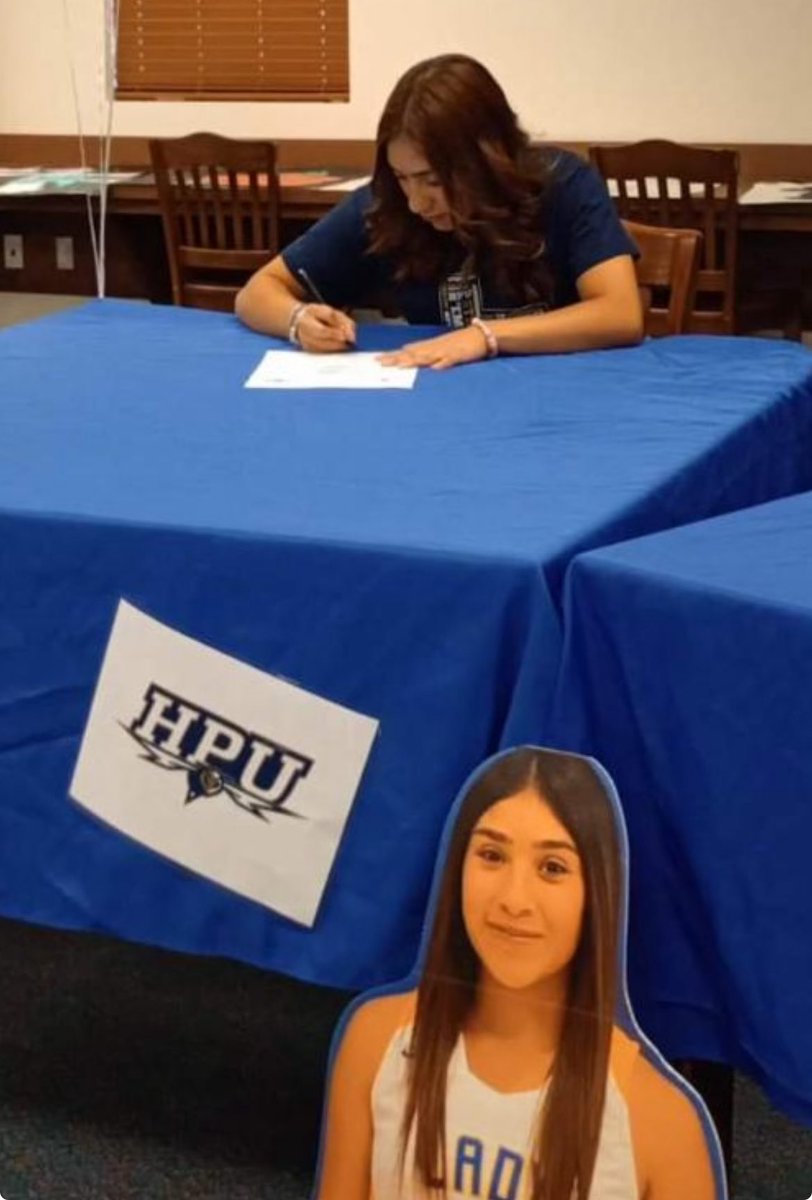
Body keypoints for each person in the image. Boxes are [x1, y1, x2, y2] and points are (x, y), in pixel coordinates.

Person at [314, 748, 722, 1199]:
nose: (514, 899)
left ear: (597, 894)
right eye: (491, 855)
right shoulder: (375, 1042)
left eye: (552, 868)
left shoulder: (662, 1123)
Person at [235, 55, 643, 368]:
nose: (417, 202)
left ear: (486, 161)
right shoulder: (388, 209)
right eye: (402, 178)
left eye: (432, 181)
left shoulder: (564, 184)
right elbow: (257, 292)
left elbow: (620, 313)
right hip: (445, 405)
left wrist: (485, 337)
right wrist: (297, 318)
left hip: (565, 399)